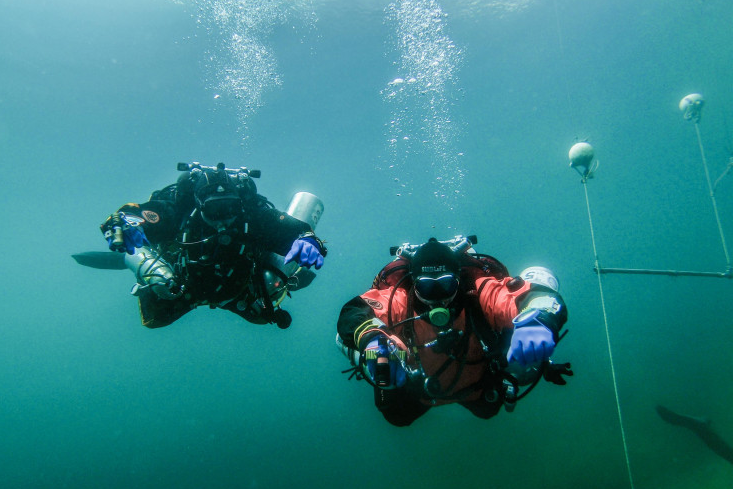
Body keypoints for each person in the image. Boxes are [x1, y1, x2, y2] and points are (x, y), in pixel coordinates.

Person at [336, 235, 572, 426]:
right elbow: (355, 311)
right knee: (397, 416)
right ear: (414, 285)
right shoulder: (398, 300)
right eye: (427, 288)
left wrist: (540, 319)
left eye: (446, 285)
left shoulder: (480, 293)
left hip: (477, 388)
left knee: (489, 410)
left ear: (459, 281)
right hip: (415, 392)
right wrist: (371, 338)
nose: (438, 299)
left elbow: (530, 295)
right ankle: (370, 359)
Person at [100, 161, 326, 329]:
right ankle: (134, 258)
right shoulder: (180, 212)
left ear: (239, 205)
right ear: (199, 205)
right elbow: (145, 213)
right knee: (154, 320)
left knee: (263, 314)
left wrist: (308, 240)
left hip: (240, 290)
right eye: (214, 211)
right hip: (182, 286)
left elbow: (297, 228)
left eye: (230, 209)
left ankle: (288, 279)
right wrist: (125, 222)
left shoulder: (253, 214)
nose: (223, 220)